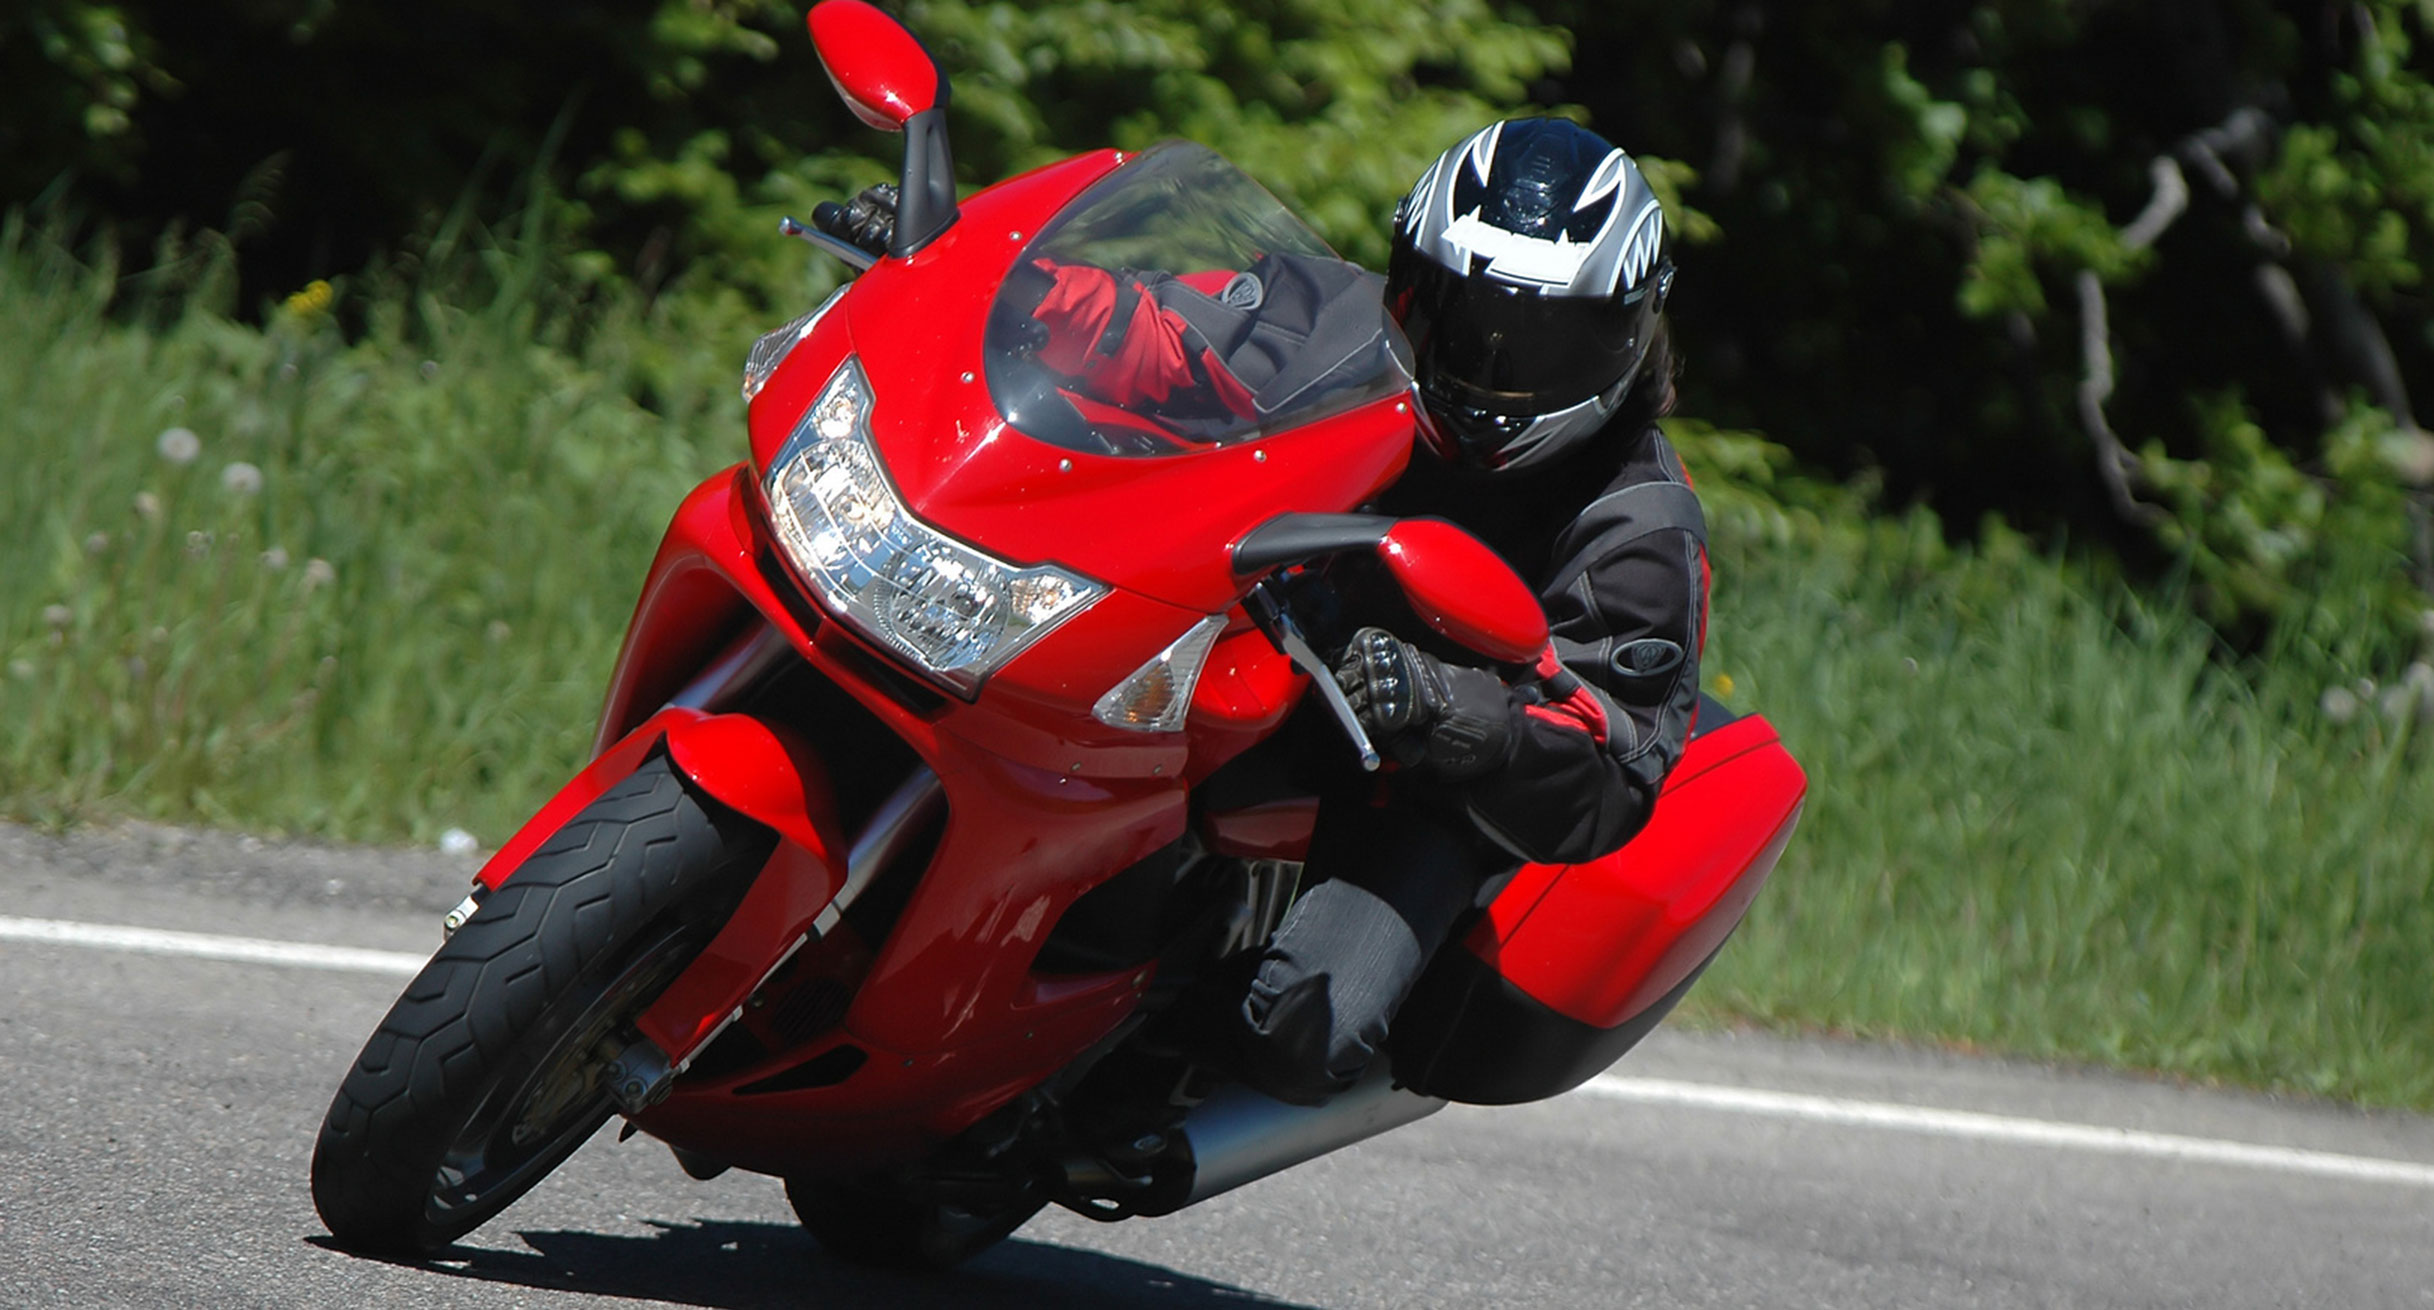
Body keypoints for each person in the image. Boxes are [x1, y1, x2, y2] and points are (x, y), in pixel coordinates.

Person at [1218, 116, 1710, 1105]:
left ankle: (1134, 1092)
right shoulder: (1322, 316)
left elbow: (1617, 758)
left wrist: (1458, 710)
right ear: (1411, 283)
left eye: (1544, 342)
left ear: (1628, 329)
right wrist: (982, 283)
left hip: (1421, 785)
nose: (1492, 368)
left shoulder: (1638, 522)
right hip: (1233, 653)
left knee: (1302, 1023)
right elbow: (1142, 323)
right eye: (1463, 316)